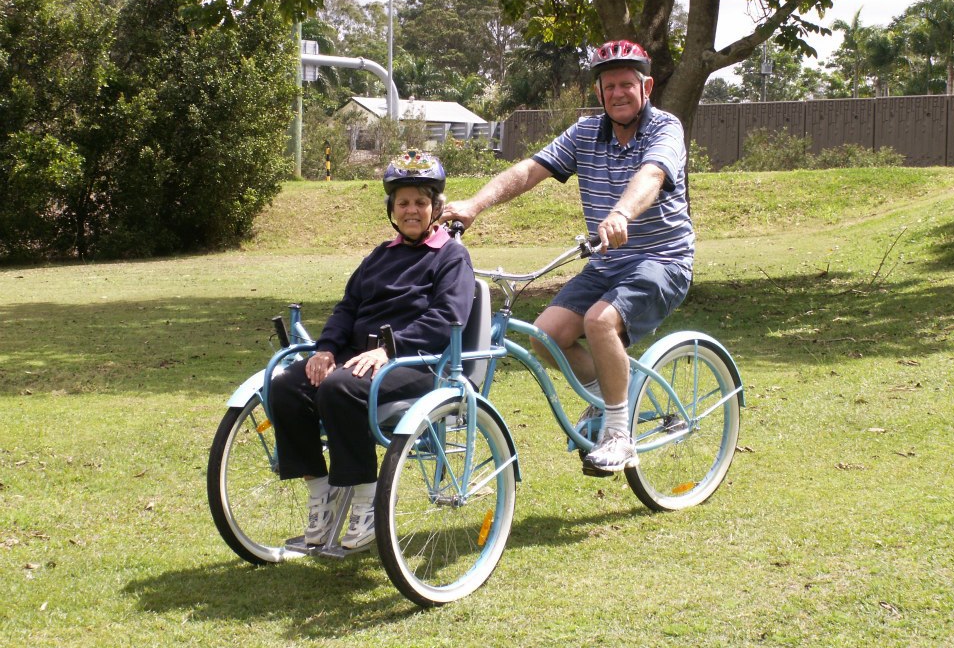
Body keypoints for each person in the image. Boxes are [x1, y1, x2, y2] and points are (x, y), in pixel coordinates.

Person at [442, 39, 693, 476]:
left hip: (662, 259)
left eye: (627, 84)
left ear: (646, 86)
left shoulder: (665, 128)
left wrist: (620, 213)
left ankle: (619, 433)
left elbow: (651, 175)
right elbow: (530, 169)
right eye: (608, 85)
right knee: (545, 336)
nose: (617, 93)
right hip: (606, 262)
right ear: (598, 92)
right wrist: (474, 205)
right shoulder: (584, 133)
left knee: (600, 321)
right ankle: (616, 398)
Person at [270, 150, 475, 550]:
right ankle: (321, 492)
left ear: (436, 207)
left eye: (420, 202)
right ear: (392, 209)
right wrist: (326, 349)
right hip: (356, 357)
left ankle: (365, 503)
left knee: (340, 388)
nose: (412, 210)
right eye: (403, 203)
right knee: (285, 387)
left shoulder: (452, 256)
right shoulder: (379, 256)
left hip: (418, 361)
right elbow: (347, 308)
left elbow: (447, 318)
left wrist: (389, 349)